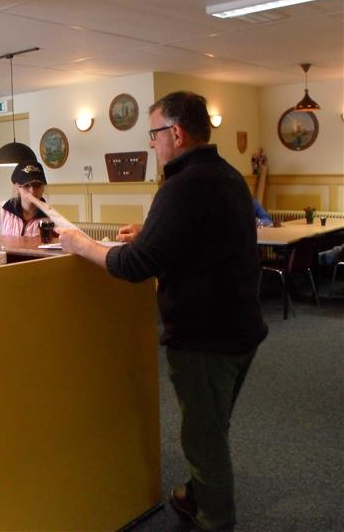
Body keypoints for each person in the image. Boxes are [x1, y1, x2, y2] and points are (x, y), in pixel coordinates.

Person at [57, 91, 268, 532]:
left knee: (204, 438)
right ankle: (196, 495)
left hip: (205, 336)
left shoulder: (183, 185)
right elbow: (202, 240)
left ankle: (215, 520)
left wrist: (81, 245)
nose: (152, 144)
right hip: (240, 328)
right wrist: (150, 233)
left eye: (154, 134)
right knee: (212, 424)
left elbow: (134, 267)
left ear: (176, 132)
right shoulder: (228, 176)